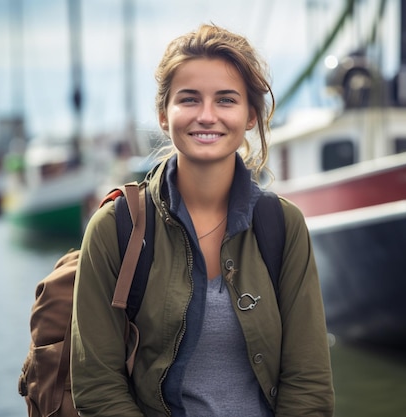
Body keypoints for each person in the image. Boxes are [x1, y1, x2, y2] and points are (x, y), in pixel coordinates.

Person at [71, 23, 334, 416]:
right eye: (189, 100)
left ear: (250, 115)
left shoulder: (282, 225)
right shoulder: (115, 228)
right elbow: (97, 386)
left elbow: (309, 383)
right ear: (164, 114)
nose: (207, 116)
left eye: (226, 100)